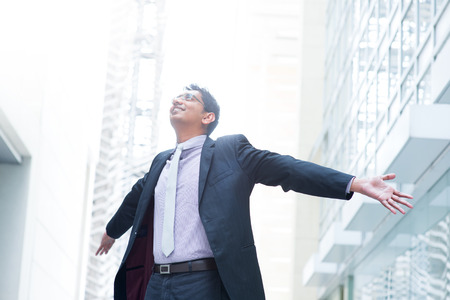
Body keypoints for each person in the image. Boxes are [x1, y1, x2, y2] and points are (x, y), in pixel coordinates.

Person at [96, 84, 413, 300]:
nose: (178, 100)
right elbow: (135, 200)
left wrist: (354, 183)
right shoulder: (160, 163)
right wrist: (112, 232)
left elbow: (287, 168)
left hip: (203, 281)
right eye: (177, 97)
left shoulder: (230, 151)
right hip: (157, 283)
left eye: (189, 98)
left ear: (208, 118)